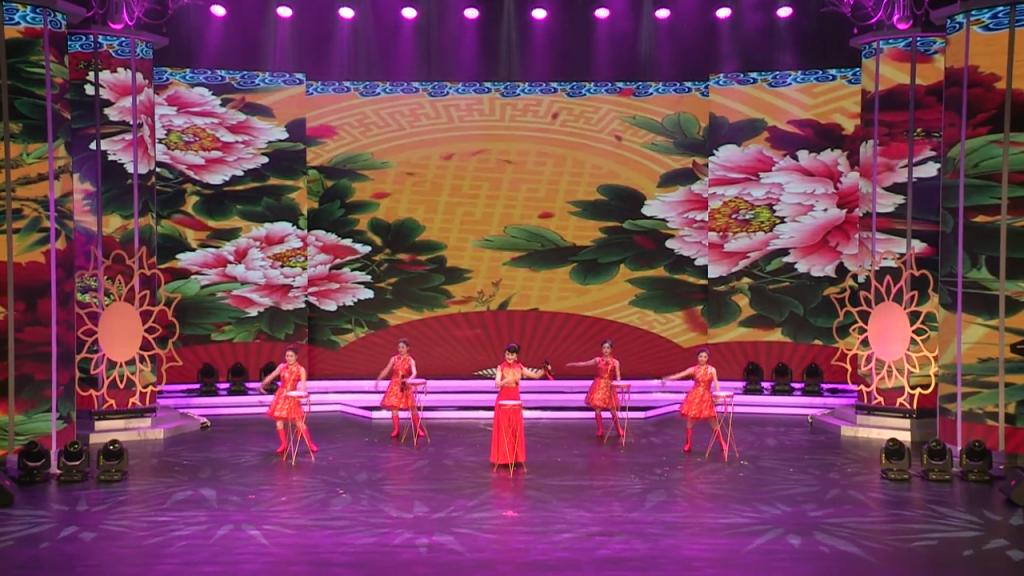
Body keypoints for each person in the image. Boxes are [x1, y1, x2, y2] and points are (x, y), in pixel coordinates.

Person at [661, 348, 726, 455]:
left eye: (705, 357)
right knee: (690, 421)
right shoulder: (693, 369)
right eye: (700, 356)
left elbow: (716, 383)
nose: (702, 359)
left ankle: (722, 443)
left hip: (706, 398)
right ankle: (688, 444)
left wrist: (718, 395)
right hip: (695, 398)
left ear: (707, 358)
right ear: (697, 357)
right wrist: (668, 378)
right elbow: (680, 374)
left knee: (713, 421)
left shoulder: (712, 369)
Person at [490, 343, 546, 468]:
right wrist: (507, 380)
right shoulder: (500, 367)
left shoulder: (519, 367)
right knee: (504, 429)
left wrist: (545, 369)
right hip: (503, 401)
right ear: (505, 354)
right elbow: (497, 384)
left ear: (516, 356)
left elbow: (536, 376)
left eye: (512, 355)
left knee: (514, 428)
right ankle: (503, 458)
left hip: (515, 400)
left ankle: (514, 457)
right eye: (507, 354)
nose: (509, 357)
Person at [262, 346, 317, 454]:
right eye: (287, 356)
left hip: (292, 396)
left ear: (296, 357)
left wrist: (300, 394)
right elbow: (272, 376)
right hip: (281, 396)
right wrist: (263, 384)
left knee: (299, 423)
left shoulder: (301, 369)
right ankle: (284, 444)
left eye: (291, 356)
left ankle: (310, 444)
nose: (289, 358)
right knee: (279, 422)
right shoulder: (282, 367)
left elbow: (303, 386)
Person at [566, 339, 623, 437]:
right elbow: (584, 363)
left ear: (611, 349)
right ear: (601, 349)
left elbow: (618, 376)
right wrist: (573, 364)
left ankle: (619, 429)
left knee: (613, 410)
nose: (606, 350)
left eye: (608, 348)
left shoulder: (615, 362)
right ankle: (600, 430)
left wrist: (618, 382)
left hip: (609, 387)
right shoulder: (598, 360)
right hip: (599, 386)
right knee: (597, 409)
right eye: (604, 348)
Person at [375, 338, 421, 439]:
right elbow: (386, 370)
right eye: (399, 347)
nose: (400, 349)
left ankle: (418, 428)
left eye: (403, 347)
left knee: (412, 407)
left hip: (405, 384)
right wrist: (378, 379)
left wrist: (409, 379)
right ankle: (396, 429)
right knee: (394, 407)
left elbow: (414, 373)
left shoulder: (411, 360)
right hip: (395, 386)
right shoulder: (393, 359)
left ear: (407, 348)